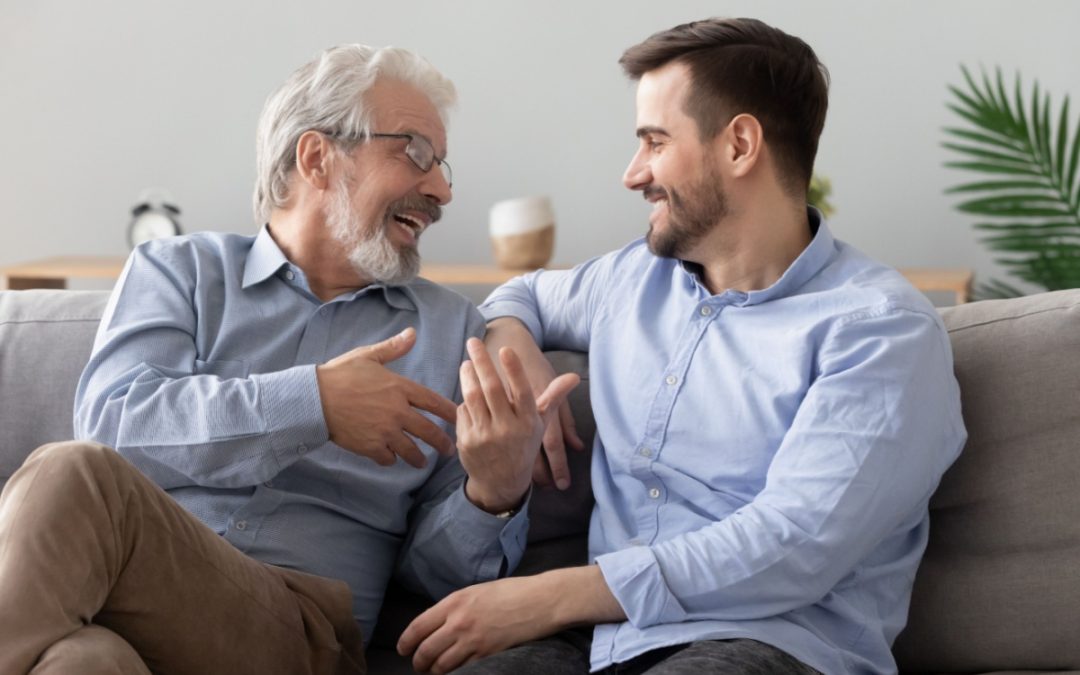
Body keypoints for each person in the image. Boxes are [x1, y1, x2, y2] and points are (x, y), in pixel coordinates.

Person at [397, 17, 966, 675]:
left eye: (654, 142)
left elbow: (793, 544)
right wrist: (512, 344)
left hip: (769, 644)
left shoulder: (879, 330)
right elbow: (519, 295)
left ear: (740, 144)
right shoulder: (630, 280)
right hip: (599, 643)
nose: (632, 173)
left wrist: (549, 595)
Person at [0, 44, 575, 674]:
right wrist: (314, 404)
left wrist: (492, 492)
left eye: (442, 166)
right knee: (83, 661)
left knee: (71, 475)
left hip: (298, 633)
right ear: (316, 156)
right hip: (120, 604)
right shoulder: (180, 272)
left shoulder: (449, 331)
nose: (439, 188)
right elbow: (113, 421)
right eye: (415, 152)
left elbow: (438, 582)